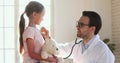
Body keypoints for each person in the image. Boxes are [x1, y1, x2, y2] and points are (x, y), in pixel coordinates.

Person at [42, 11, 115, 63]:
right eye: (78, 23)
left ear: (92, 29)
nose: (77, 27)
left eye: (81, 24)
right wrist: (47, 38)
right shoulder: (77, 44)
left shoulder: (103, 51)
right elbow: (59, 50)